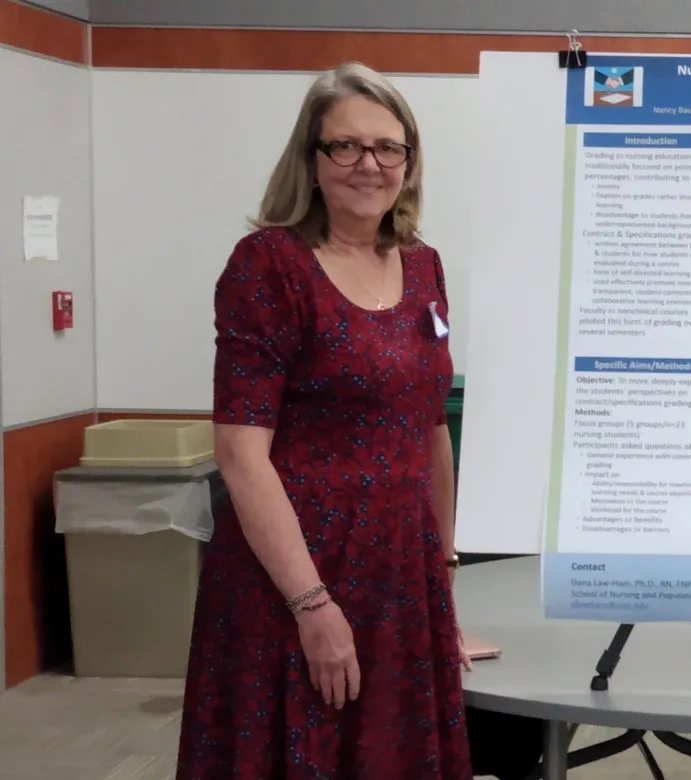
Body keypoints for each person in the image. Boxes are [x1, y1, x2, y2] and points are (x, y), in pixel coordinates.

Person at [176, 61, 472, 778]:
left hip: (402, 576)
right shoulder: (268, 267)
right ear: (310, 159)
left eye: (388, 147)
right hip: (296, 574)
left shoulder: (423, 265)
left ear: (410, 160)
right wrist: (311, 604)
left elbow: (431, 427)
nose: (369, 165)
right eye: (345, 146)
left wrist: (444, 575)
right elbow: (243, 455)